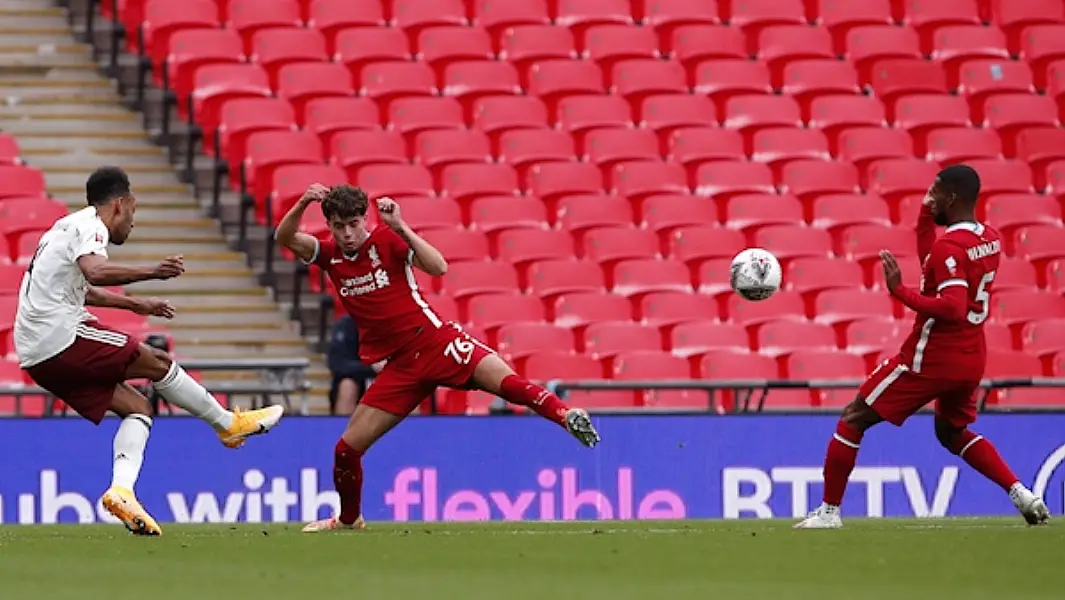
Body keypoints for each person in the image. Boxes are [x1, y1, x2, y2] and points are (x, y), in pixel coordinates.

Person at [275, 183, 601, 532]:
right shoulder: (329, 255)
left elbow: (439, 266)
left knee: (506, 383)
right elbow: (285, 236)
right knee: (345, 449)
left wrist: (400, 226)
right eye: (338, 226)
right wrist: (304, 202)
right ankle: (350, 520)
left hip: (435, 341)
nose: (347, 233)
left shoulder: (387, 240)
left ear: (365, 220)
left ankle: (566, 414)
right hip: (401, 367)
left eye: (354, 223)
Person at [14, 166, 285, 536]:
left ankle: (122, 492)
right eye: (134, 212)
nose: (133, 222)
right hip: (58, 336)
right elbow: (95, 272)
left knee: (138, 408)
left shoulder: (63, 229)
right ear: (121, 204)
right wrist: (153, 271)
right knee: (159, 364)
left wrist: (136, 305)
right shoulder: (91, 226)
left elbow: (81, 289)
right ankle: (227, 424)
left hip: (37, 354)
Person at [795, 164, 1049, 529]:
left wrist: (901, 292)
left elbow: (953, 306)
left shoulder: (950, 247)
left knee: (854, 417)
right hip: (971, 357)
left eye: (935, 192)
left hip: (931, 357)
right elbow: (935, 262)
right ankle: (1022, 494)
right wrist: (923, 216)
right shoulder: (989, 238)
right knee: (951, 432)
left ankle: (829, 513)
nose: (930, 197)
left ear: (953, 197)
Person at [327, 314, 376, 415]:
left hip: (391, 377)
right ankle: (342, 427)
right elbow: (338, 364)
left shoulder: (400, 325)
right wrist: (371, 367)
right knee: (347, 386)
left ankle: (411, 428)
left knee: (407, 389)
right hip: (359, 378)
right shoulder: (347, 325)